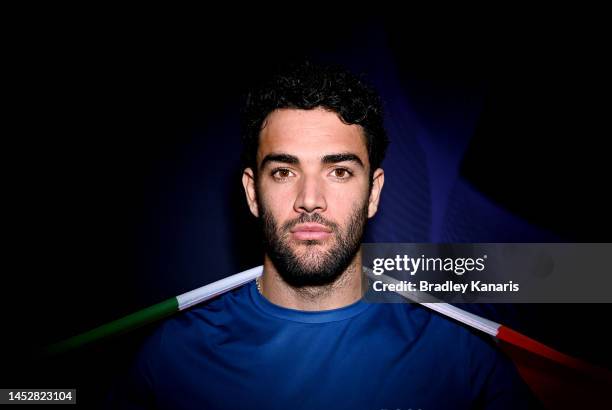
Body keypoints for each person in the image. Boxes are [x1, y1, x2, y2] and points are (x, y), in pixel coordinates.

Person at [107, 62, 539, 409]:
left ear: (373, 193)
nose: (310, 199)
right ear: (251, 193)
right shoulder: (173, 358)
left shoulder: (459, 359)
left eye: (338, 171)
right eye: (283, 171)